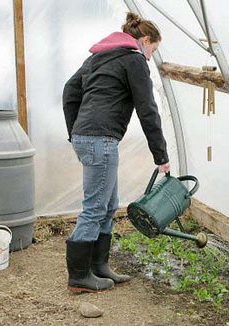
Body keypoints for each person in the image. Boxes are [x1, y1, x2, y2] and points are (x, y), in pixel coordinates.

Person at [62, 12, 170, 293]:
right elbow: (148, 109)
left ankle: (99, 267)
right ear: (144, 41)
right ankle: (78, 277)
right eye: (153, 50)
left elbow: (70, 91)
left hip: (91, 137)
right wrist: (161, 156)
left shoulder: (98, 57)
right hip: (100, 139)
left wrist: (75, 131)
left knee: (109, 205)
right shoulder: (133, 60)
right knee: (96, 207)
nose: (150, 57)